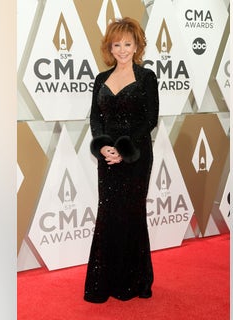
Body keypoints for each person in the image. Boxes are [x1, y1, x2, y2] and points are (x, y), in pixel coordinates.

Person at [84, 17, 159, 303]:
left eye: (128, 44)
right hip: (108, 158)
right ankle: (105, 282)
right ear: (110, 47)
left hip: (135, 156)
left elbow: (150, 119)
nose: (123, 49)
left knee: (131, 213)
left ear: (137, 45)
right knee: (108, 214)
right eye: (117, 44)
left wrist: (122, 149)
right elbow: (95, 116)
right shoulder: (101, 79)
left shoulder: (146, 77)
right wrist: (103, 146)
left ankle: (133, 281)